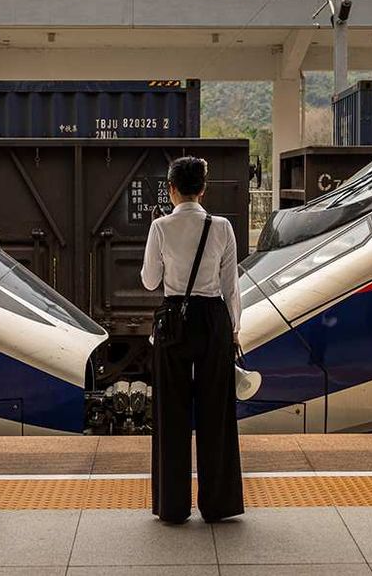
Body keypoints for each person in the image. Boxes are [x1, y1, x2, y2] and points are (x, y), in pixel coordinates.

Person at [141, 156, 245, 524]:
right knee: (216, 413)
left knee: (172, 413)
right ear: (203, 189)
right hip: (214, 320)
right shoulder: (222, 228)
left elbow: (150, 281)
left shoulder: (160, 227)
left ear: (171, 189)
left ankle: (172, 506)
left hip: (173, 323)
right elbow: (231, 286)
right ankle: (218, 505)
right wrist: (233, 330)